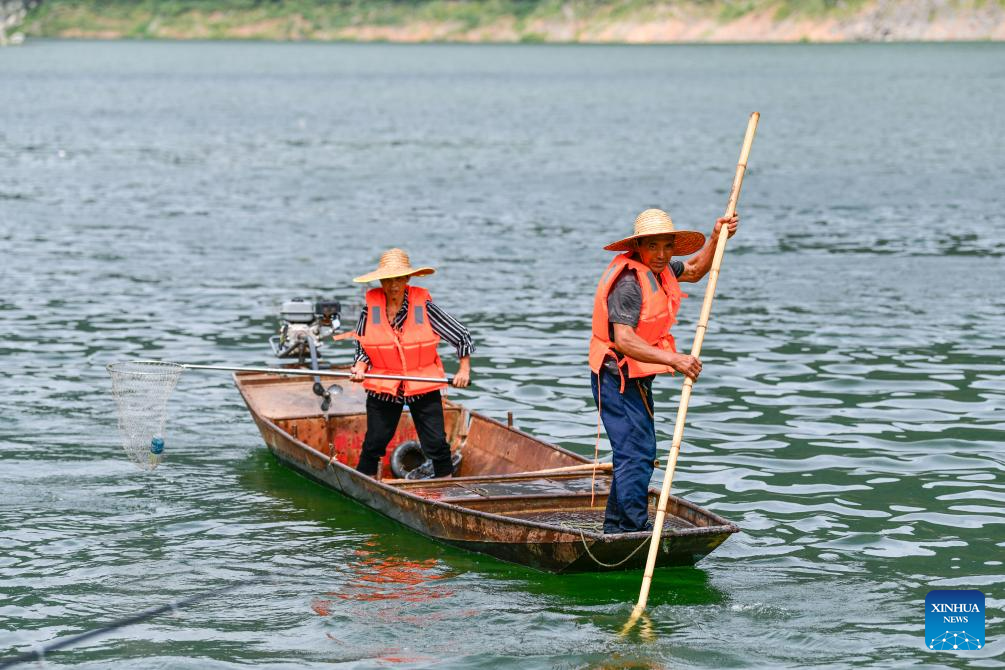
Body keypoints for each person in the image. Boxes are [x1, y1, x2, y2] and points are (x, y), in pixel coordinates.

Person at [589, 208, 739, 533]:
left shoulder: (662, 269)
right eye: (653, 246)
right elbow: (624, 339)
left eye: (667, 247)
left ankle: (617, 527)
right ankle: (631, 529)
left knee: (637, 452)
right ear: (638, 246)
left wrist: (717, 237)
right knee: (635, 453)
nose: (660, 254)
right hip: (615, 377)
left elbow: (696, 270)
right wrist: (675, 360)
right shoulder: (629, 283)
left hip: (637, 378)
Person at [349, 248, 474, 479]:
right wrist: (360, 367)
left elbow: (461, 336)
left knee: (436, 443)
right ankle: (362, 482)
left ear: (407, 278)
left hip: (420, 381)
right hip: (385, 382)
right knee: (374, 442)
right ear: (381, 281)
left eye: (398, 279)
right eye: (388, 280)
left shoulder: (423, 307)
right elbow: (363, 345)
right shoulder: (370, 309)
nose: (393, 285)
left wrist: (463, 370)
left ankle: (446, 486)